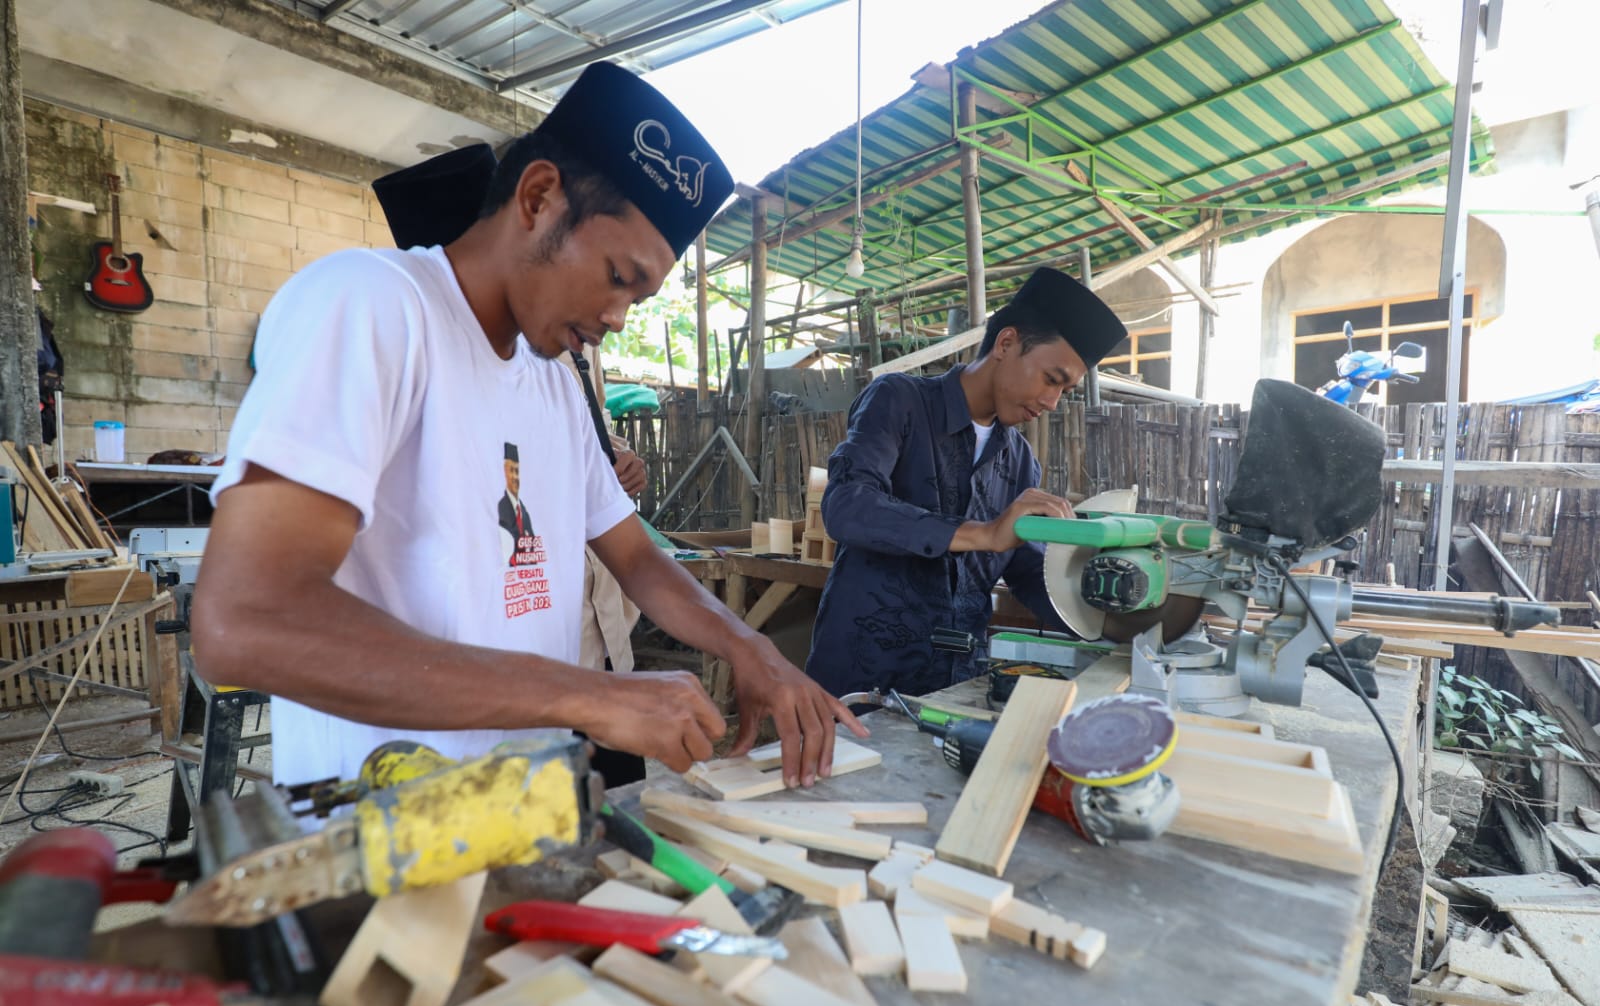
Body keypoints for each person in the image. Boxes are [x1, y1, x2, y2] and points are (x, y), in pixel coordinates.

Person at [191, 61, 865, 794]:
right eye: (618, 276)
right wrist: (589, 696)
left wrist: (748, 646)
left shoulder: (550, 381)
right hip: (378, 838)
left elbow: (636, 559)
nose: (617, 320)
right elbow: (245, 622)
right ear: (539, 197)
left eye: (640, 298)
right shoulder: (374, 306)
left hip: (522, 819)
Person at [804, 267, 1127, 698]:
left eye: (1065, 392)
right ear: (1006, 343)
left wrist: (1107, 614)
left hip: (957, 685)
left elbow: (1028, 571)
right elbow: (847, 506)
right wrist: (985, 534)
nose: (1052, 402)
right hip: (862, 679)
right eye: (1052, 379)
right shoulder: (899, 400)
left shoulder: (1019, 461)